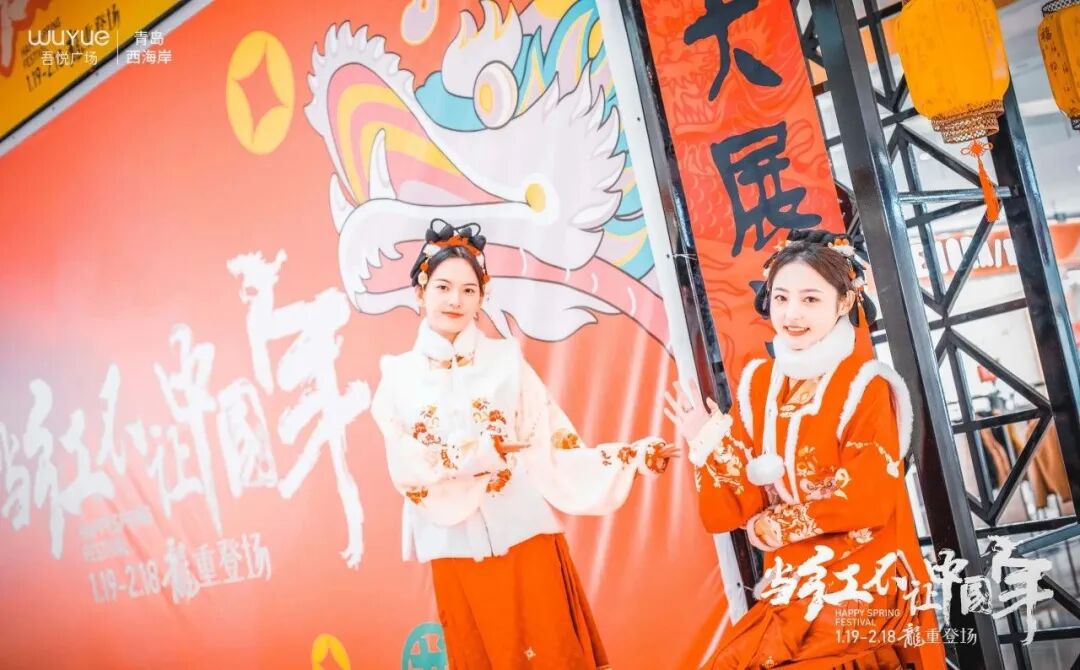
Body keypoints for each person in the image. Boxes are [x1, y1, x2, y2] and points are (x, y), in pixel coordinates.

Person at [370, 219, 678, 669]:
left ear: (483, 296)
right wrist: (477, 456)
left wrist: (630, 457)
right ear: (420, 291)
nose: (455, 300)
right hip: (454, 546)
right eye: (443, 287)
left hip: (524, 533)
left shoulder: (506, 362)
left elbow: (553, 444)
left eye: (469, 290)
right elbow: (407, 465)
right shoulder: (397, 377)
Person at [665, 229, 946, 669]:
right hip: (794, 580)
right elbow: (734, 509)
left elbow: (867, 501)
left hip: (861, 576)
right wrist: (709, 442)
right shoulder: (759, 385)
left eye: (810, 299)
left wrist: (776, 524)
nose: (792, 313)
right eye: (781, 298)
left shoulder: (865, 386)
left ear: (845, 302)